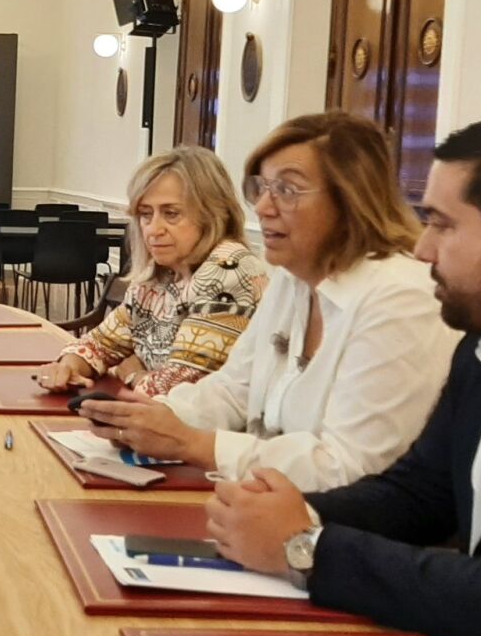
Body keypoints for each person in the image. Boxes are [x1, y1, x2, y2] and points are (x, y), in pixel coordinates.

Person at [205, 117, 481, 636]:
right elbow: (420, 494)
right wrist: (279, 512)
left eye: (442, 224)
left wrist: (306, 548)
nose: (421, 248)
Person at [78, 112, 459, 491]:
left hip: (335, 522)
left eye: (287, 190)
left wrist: (192, 443)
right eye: (260, 188)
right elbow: (233, 389)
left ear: (351, 200)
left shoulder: (401, 297)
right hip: (265, 502)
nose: (262, 207)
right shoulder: (293, 279)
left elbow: (351, 468)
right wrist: (151, 419)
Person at [38, 147, 268, 396]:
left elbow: (179, 391)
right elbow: (100, 344)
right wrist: (68, 367)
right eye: (146, 215)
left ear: (212, 214)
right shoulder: (160, 273)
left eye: (171, 214)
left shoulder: (228, 270)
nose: (153, 229)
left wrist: (131, 373)